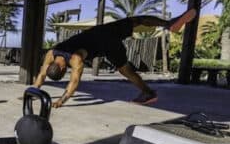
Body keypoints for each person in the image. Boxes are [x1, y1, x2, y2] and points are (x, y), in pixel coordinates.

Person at [34, 9, 197, 108]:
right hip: (102, 32)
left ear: (63, 69)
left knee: (125, 69)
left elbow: (74, 82)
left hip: (107, 45)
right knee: (136, 20)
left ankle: (148, 93)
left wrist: (61, 101)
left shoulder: (75, 59)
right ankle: (168, 23)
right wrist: (33, 92)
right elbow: (41, 74)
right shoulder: (52, 53)